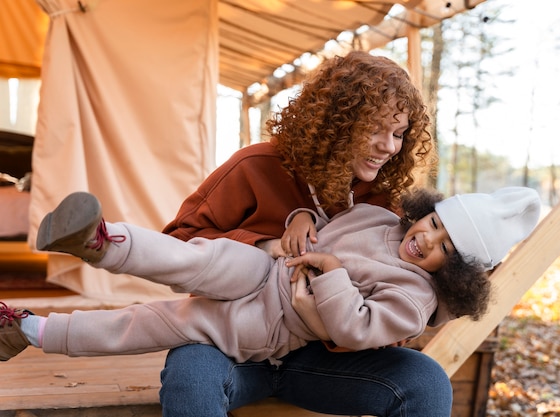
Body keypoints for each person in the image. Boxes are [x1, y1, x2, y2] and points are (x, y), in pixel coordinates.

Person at [31, 51, 443, 416]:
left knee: (426, 381)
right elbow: (178, 243)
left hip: (321, 360)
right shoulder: (255, 166)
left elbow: (389, 311)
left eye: (399, 133)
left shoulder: (382, 201)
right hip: (229, 340)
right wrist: (266, 247)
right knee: (191, 375)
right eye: (376, 128)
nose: (389, 146)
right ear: (338, 122)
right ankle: (96, 245)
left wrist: (328, 326)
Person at [1, 186, 540, 364]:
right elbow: (328, 225)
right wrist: (300, 219)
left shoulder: (415, 296)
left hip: (271, 325)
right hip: (268, 267)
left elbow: (357, 329)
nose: (427, 239)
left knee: (159, 322)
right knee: (198, 258)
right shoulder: (380, 217)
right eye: (435, 222)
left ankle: (30, 330)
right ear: (426, 209)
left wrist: (331, 275)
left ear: (456, 274)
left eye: (445, 248)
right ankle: (100, 241)